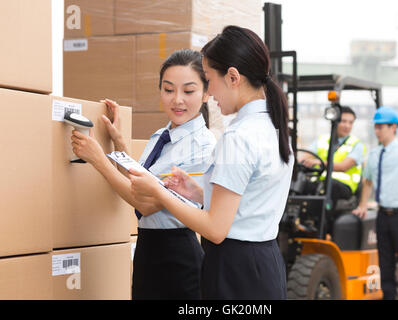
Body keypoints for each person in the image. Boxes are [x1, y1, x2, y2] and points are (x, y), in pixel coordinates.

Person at [128, 25, 295, 300]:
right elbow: (248, 200)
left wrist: (159, 191)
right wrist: (196, 192)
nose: (210, 93)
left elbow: (216, 229)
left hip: (235, 268)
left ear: (232, 77)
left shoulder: (237, 137)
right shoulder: (270, 125)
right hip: (264, 261)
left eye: (208, 79)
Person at [70, 49, 216, 299]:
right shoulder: (160, 136)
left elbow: (147, 203)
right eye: (168, 90)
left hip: (179, 258)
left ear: (205, 94)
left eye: (188, 91)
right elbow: (136, 181)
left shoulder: (203, 145)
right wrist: (118, 142)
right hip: (148, 250)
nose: (177, 100)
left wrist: (98, 159)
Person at [352, 106, 398, 300]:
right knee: (385, 265)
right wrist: (362, 204)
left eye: (381, 127)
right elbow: (367, 181)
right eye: (375, 127)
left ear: (393, 127)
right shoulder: (374, 155)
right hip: (383, 216)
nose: (377, 131)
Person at [299, 106, 366, 208]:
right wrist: (300, 163)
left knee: (329, 187)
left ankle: (323, 220)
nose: (347, 126)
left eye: (350, 122)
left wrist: (318, 163)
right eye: (343, 121)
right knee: (300, 184)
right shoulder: (322, 140)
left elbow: (344, 166)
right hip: (321, 182)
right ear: (335, 121)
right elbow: (305, 157)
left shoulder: (356, 144)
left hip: (344, 187)